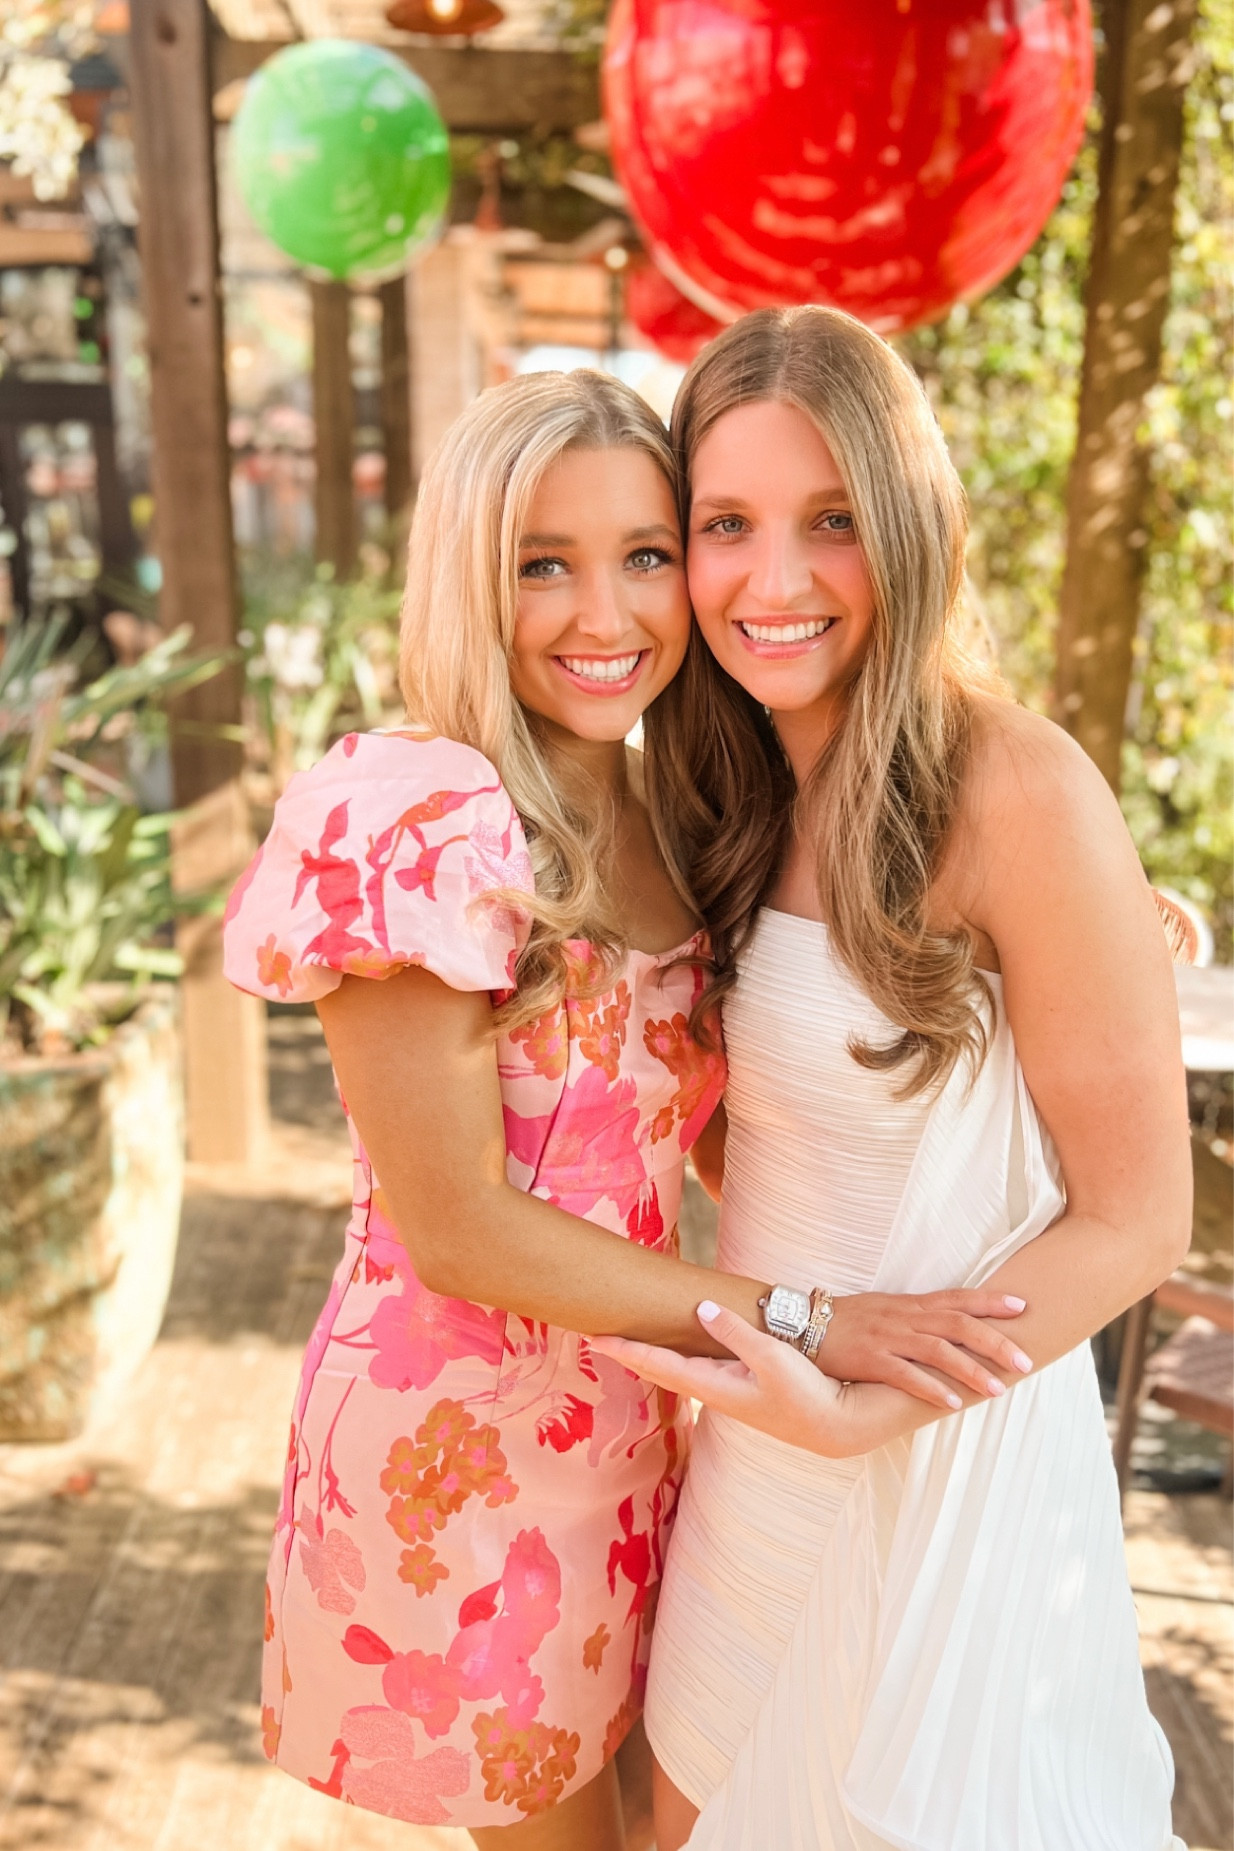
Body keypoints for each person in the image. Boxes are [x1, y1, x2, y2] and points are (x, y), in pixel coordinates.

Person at [223, 366, 1036, 1848]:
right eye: (544, 563)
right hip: (465, 1441)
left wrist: (1093, 916)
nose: (606, 616)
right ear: (471, 576)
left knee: (675, 1809)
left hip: (644, 1414)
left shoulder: (668, 803)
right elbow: (460, 1227)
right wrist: (802, 1318)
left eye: (645, 555)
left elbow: (737, 1084)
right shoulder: (418, 813)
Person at [595, 307, 1192, 1851]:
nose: (770, 582)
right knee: (684, 1807)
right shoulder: (714, 787)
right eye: (723, 524)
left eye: (832, 524)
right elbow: (752, 1137)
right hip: (758, 1423)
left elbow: (1136, 1225)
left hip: (934, 1436)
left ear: (909, 527)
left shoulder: (1012, 785)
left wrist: (867, 1412)